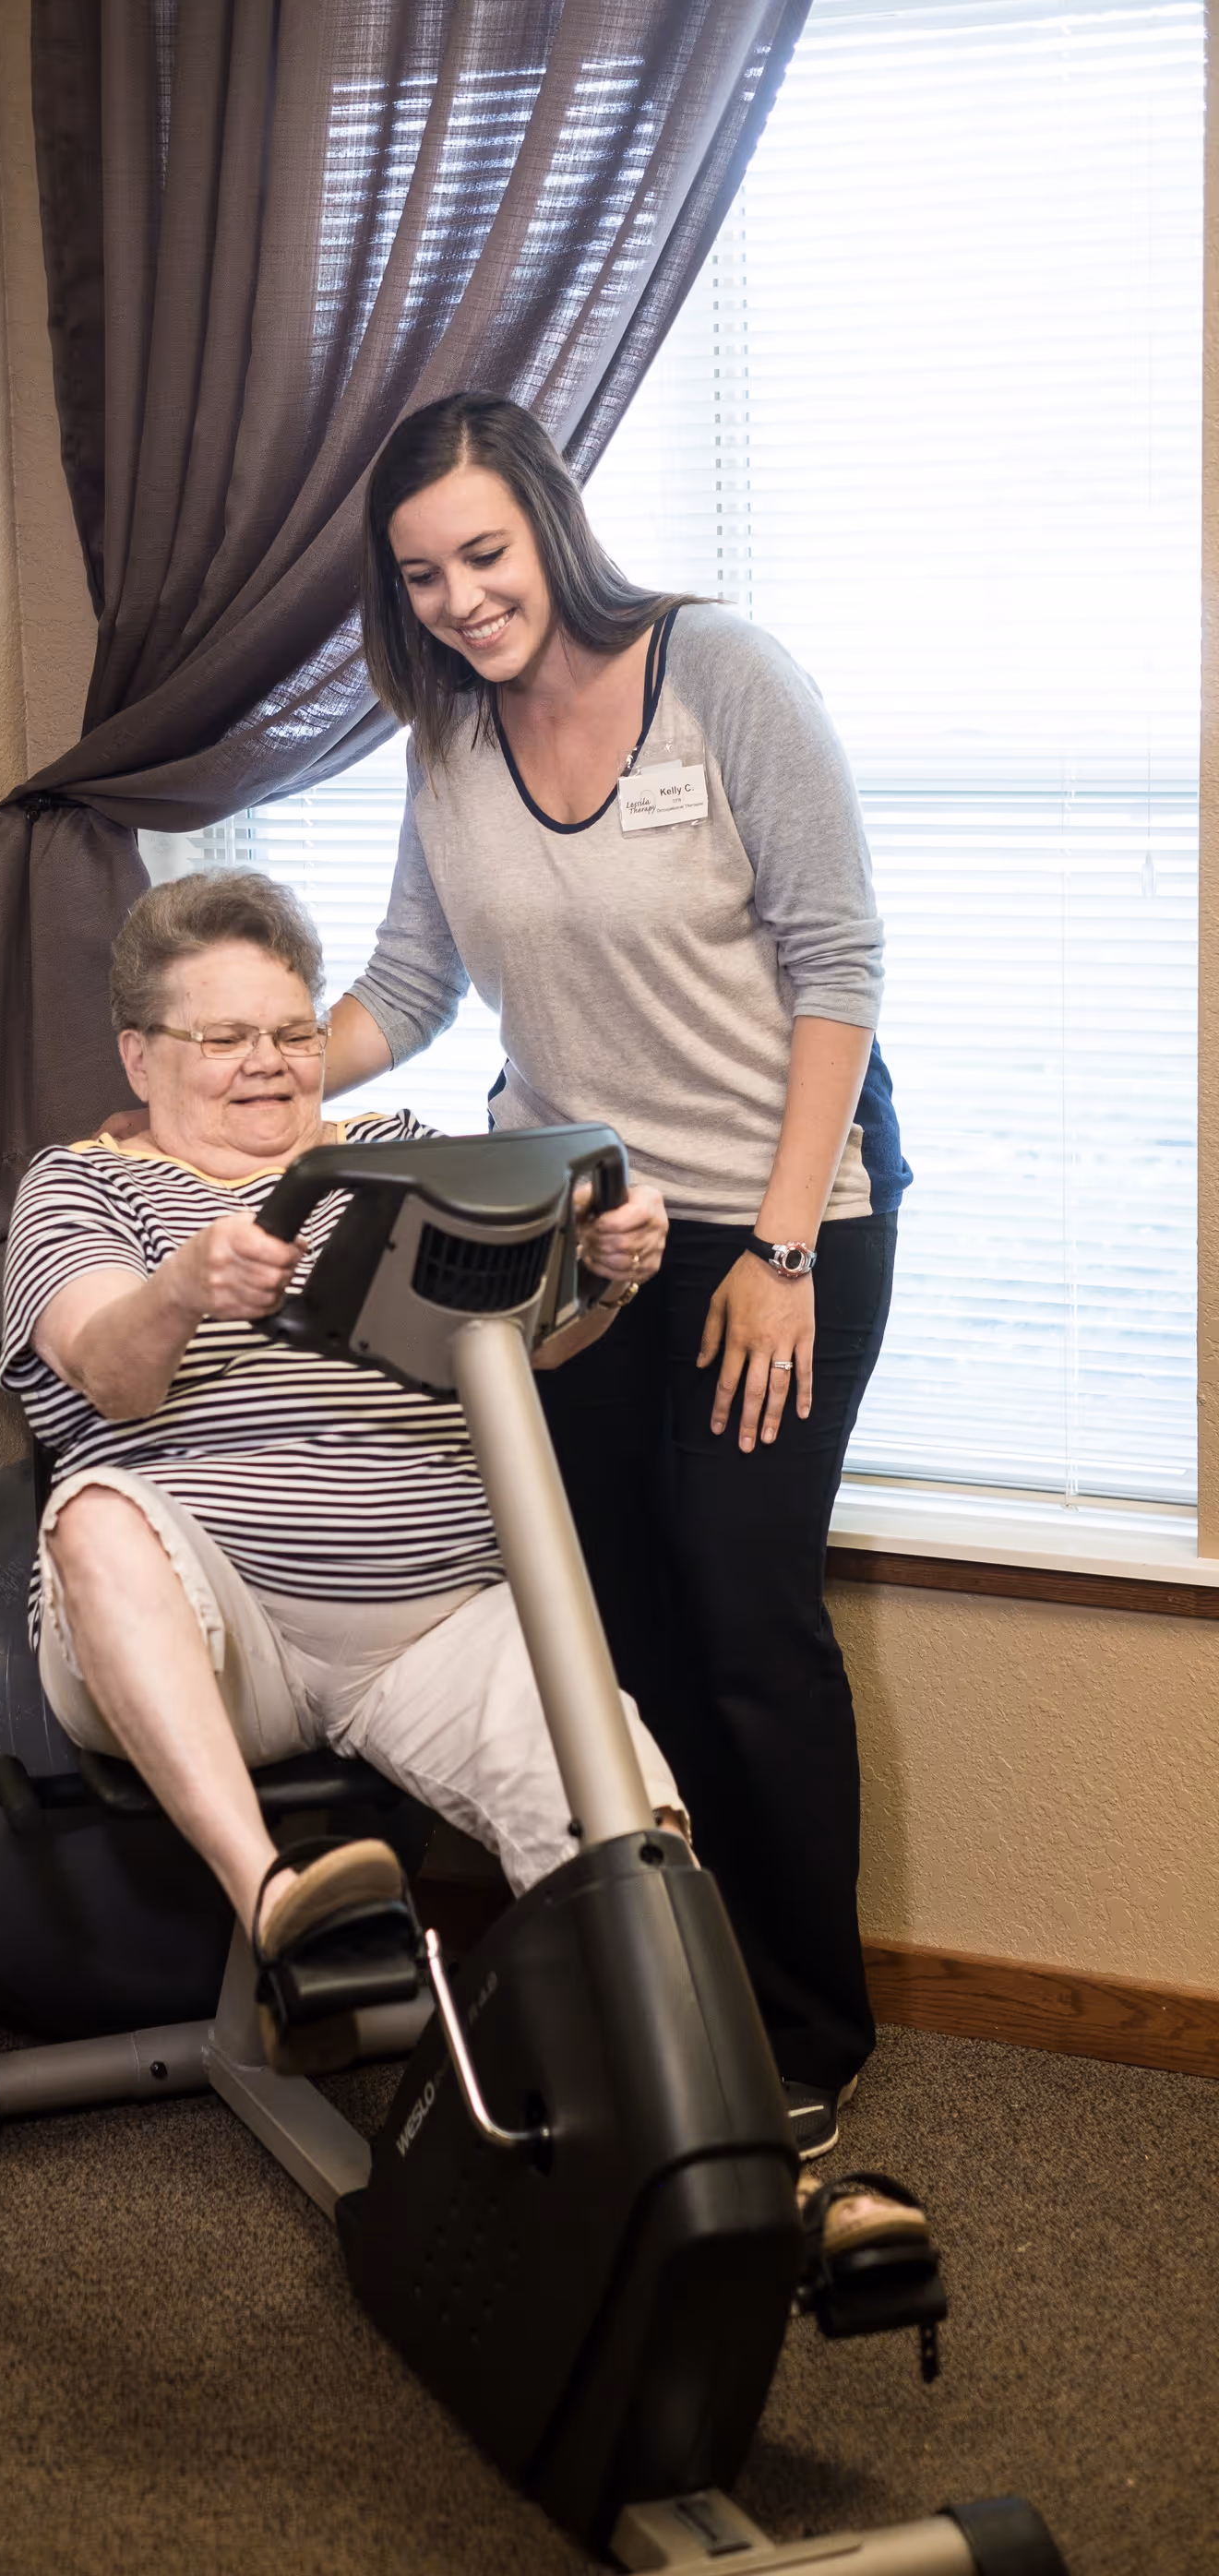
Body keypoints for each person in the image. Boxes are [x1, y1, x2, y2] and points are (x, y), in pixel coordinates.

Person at [318, 390, 909, 2159]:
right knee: (617, 1635)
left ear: (551, 528)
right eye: (421, 575)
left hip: (781, 1216)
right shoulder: (444, 739)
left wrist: (784, 1249)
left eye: (483, 555)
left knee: (742, 1617)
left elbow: (840, 962)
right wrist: (257, 1064)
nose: (460, 600)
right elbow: (408, 990)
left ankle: (809, 2024)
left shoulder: (719, 674)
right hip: (572, 1231)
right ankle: (675, 1997)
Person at [0, 868, 686, 2069]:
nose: (267, 1061)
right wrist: (183, 1285)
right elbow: (106, 1371)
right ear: (139, 1058)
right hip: (217, 1638)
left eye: (292, 1031)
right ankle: (276, 1905)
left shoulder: (405, 1154)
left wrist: (610, 1273)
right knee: (96, 1511)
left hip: (438, 1626)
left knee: (634, 1833)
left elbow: (540, 1336)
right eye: (223, 1037)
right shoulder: (83, 1186)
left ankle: (687, 2134)